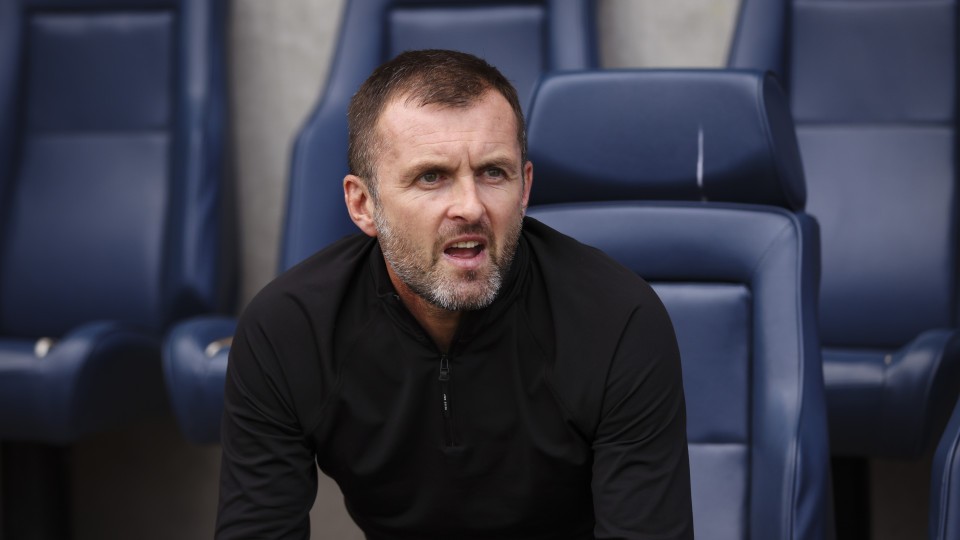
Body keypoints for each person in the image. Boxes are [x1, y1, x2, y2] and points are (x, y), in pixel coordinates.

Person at [217, 49, 693, 539]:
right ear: (363, 205)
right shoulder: (289, 330)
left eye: (493, 172)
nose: (470, 207)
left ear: (525, 188)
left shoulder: (617, 321)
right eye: (432, 177)